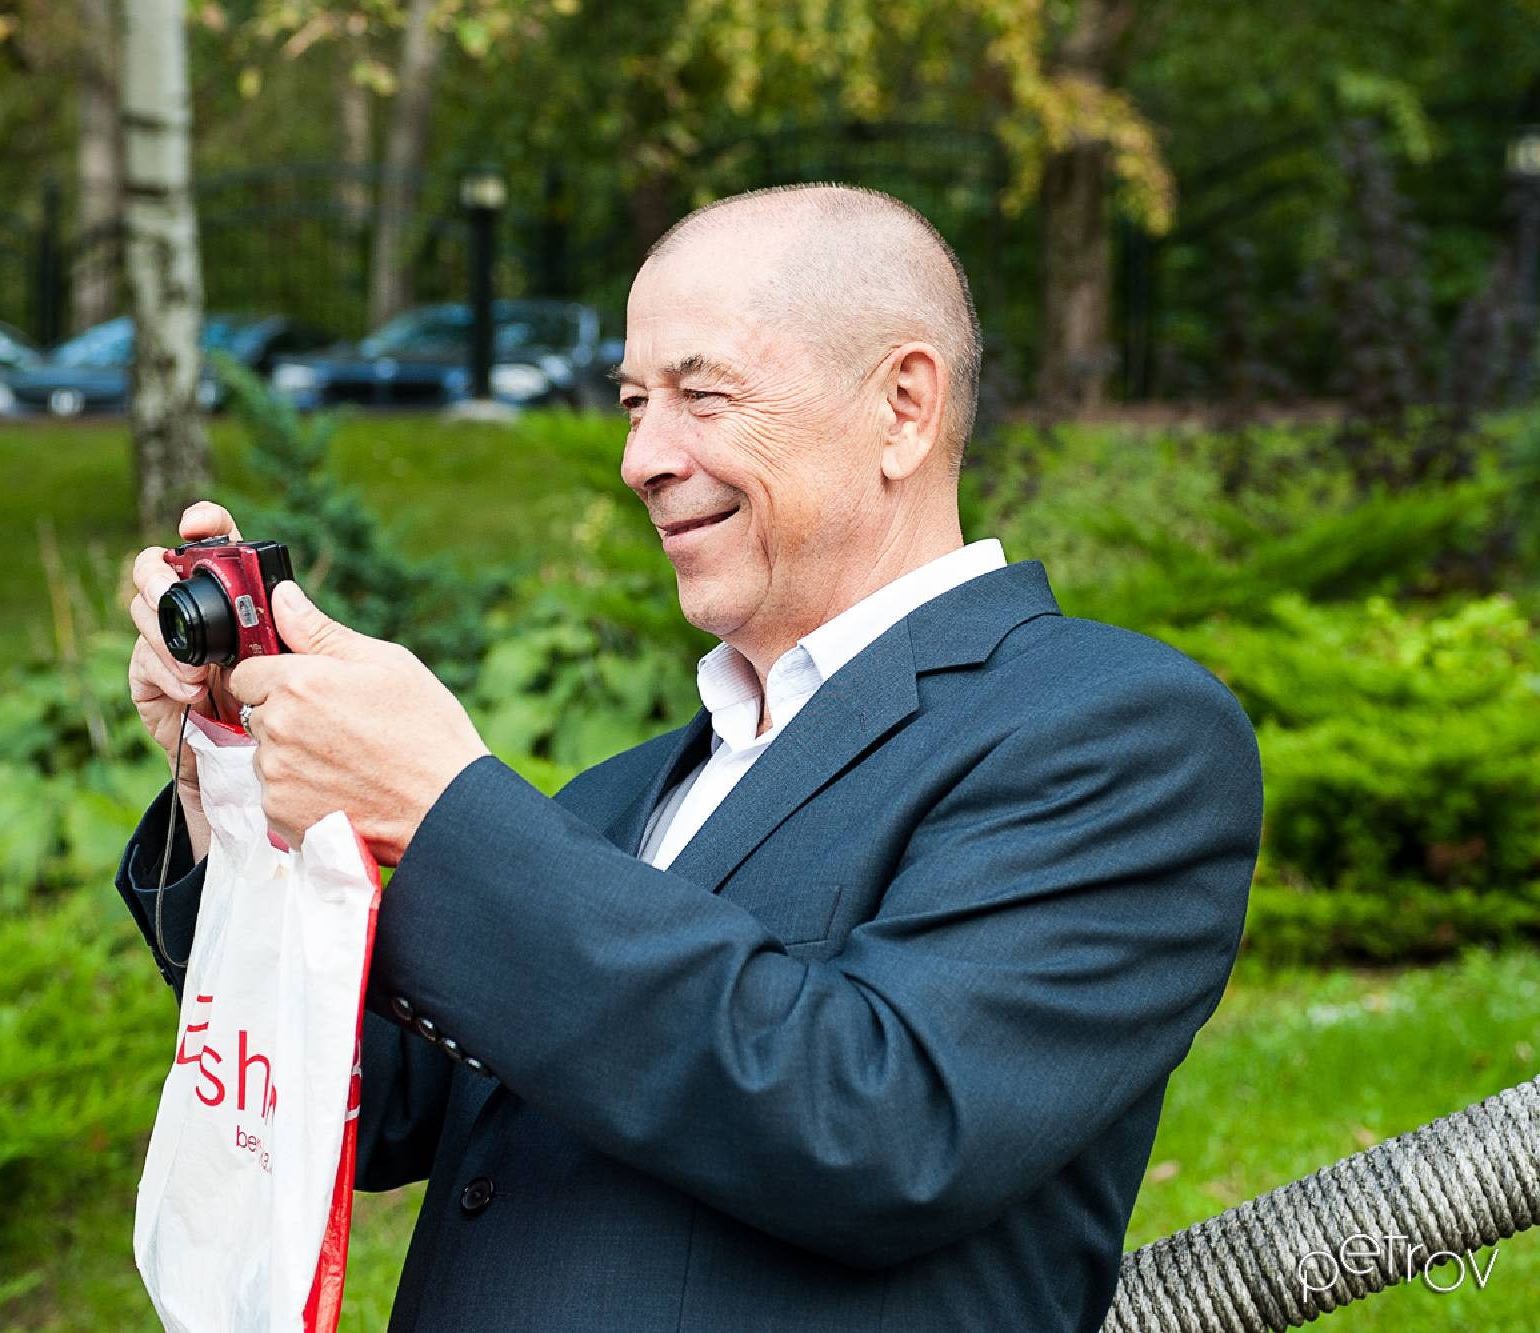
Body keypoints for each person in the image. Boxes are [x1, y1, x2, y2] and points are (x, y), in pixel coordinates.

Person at [114, 183, 1264, 1331]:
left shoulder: (1113, 730)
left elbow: (883, 1125)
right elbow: (381, 1103)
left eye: (700, 395)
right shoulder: (619, 799)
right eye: (630, 404)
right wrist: (227, 780)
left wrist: (444, 809)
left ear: (902, 407)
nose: (641, 459)